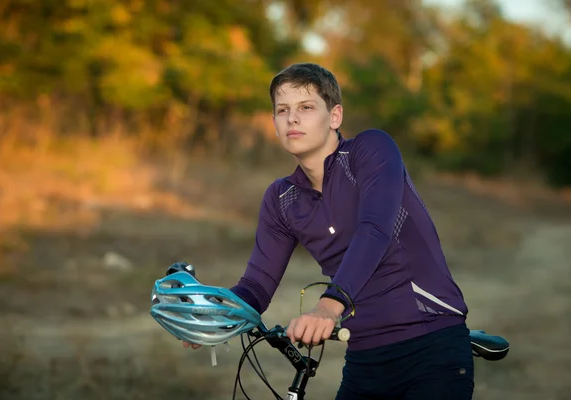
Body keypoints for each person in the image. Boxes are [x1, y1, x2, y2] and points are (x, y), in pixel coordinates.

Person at [183, 63, 474, 399]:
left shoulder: (370, 151)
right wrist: (217, 315)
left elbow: (375, 229)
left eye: (306, 108)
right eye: (282, 110)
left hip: (431, 346)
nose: (292, 119)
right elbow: (257, 285)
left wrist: (328, 307)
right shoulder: (281, 198)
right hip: (364, 358)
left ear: (335, 116)